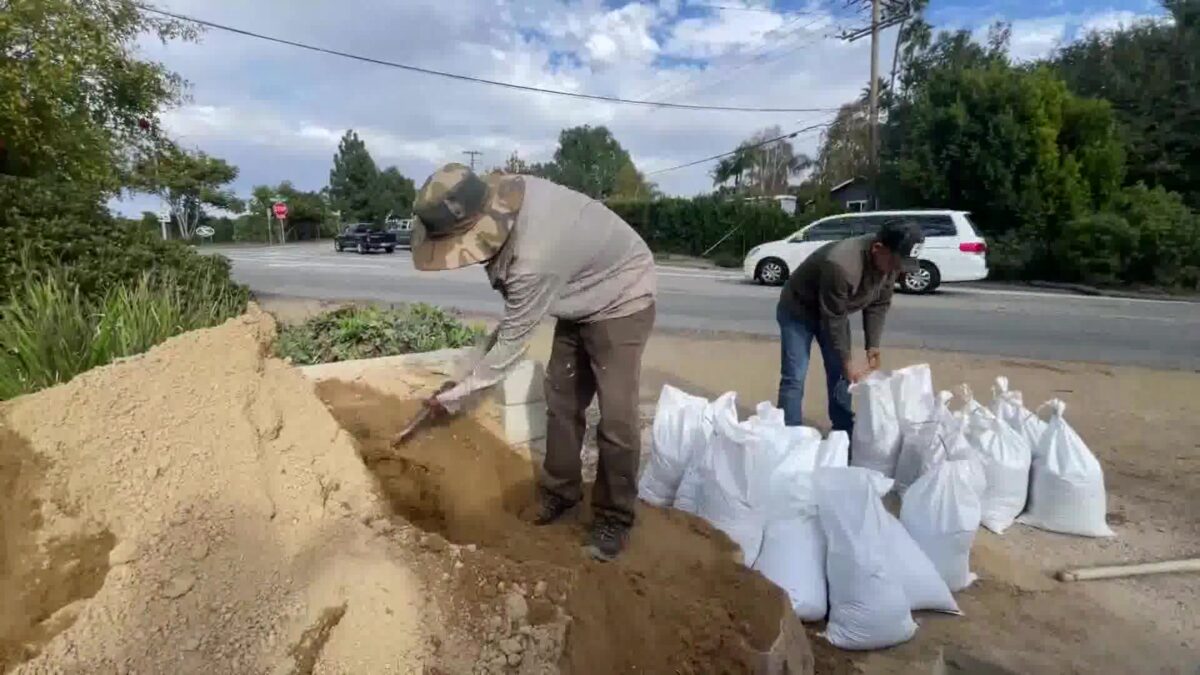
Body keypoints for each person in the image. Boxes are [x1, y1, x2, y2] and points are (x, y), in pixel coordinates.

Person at [410, 163, 656, 562]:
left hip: (621, 296)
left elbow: (512, 343)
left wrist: (458, 397)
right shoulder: (503, 207)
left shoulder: (535, 257)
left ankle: (615, 516)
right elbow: (509, 324)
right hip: (578, 291)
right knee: (561, 399)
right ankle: (561, 492)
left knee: (616, 418)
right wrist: (461, 379)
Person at [775, 220, 925, 431]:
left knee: (840, 375)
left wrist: (872, 345)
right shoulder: (841, 265)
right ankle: (788, 434)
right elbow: (833, 318)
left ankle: (843, 430)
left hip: (833, 312)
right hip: (799, 311)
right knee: (795, 375)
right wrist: (846, 360)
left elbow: (879, 304)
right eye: (894, 264)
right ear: (878, 248)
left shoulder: (890, 264)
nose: (897, 271)